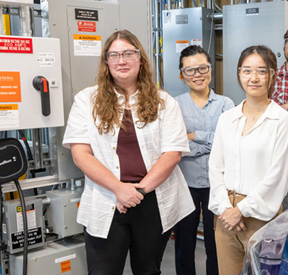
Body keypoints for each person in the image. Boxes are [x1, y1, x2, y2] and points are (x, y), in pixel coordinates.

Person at [62, 30, 194, 275]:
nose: (121, 61)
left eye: (128, 54)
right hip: (106, 199)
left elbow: (173, 154)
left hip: (152, 200)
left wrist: (138, 191)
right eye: (114, 55)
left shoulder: (163, 101)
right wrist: (118, 188)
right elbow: (81, 154)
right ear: (106, 62)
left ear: (140, 59)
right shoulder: (86, 100)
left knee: (148, 270)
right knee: (103, 271)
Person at [208, 45, 288, 275]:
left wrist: (241, 210)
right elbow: (215, 167)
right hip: (224, 216)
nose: (253, 78)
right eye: (247, 71)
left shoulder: (281, 120)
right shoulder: (227, 118)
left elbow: (277, 178)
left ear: (273, 75)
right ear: (239, 74)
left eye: (261, 71)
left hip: (260, 219)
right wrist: (227, 209)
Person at [173, 45, 234, 275]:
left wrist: (194, 137)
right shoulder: (174, 105)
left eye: (202, 68)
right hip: (184, 184)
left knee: (216, 245)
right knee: (184, 245)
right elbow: (175, 145)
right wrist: (210, 142)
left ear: (210, 70)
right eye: (190, 70)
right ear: (182, 74)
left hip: (218, 185)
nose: (197, 74)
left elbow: (227, 142)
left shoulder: (226, 104)